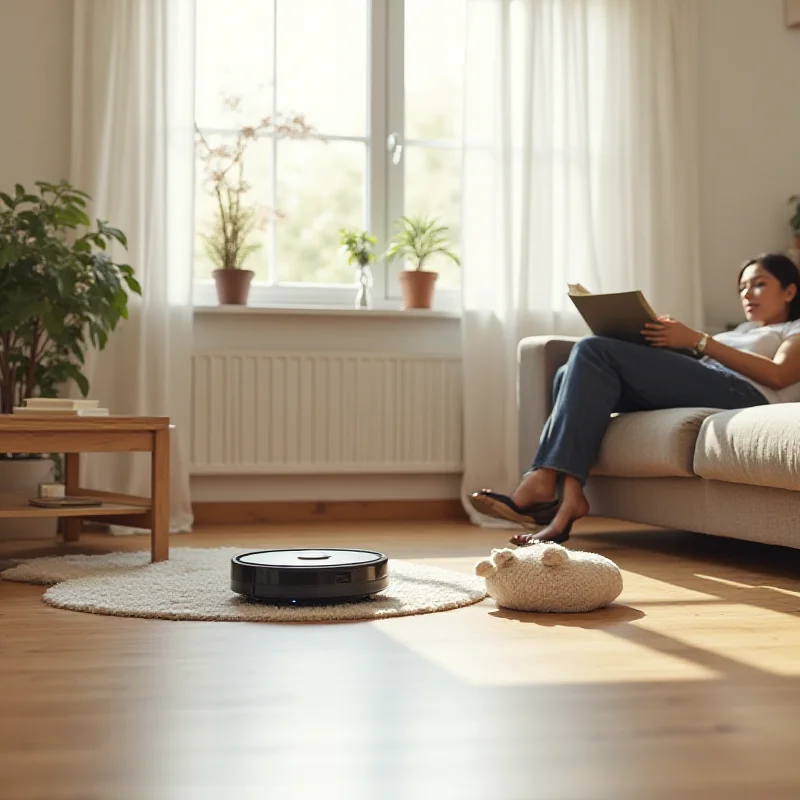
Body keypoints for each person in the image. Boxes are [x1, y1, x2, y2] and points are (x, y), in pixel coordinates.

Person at [469, 253, 800, 546]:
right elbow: (702, 365)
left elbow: (779, 375)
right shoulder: (740, 331)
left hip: (747, 394)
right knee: (567, 371)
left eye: (759, 284)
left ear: (789, 290)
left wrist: (698, 340)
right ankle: (570, 497)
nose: (747, 293)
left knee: (591, 348)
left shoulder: (792, 328)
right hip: (708, 381)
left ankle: (543, 479)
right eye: (742, 287)